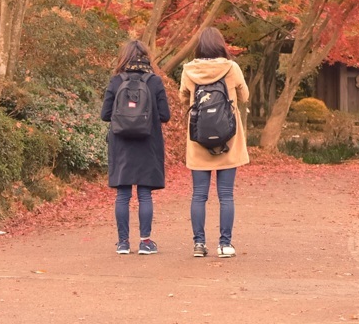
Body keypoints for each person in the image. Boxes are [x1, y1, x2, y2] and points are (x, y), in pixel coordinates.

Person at [179, 27, 249, 258]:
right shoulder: (232, 68)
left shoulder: (189, 70)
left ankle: (199, 244)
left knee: (199, 194)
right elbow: (245, 96)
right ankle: (225, 244)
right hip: (228, 139)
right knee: (226, 194)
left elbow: (182, 98)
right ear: (220, 45)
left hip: (199, 140)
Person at [101, 39, 170, 255]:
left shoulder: (115, 81)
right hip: (148, 144)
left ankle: (123, 243)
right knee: (144, 195)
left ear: (124, 58)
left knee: (123, 195)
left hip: (121, 145)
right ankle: (145, 242)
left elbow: (105, 115)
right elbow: (165, 116)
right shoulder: (155, 82)